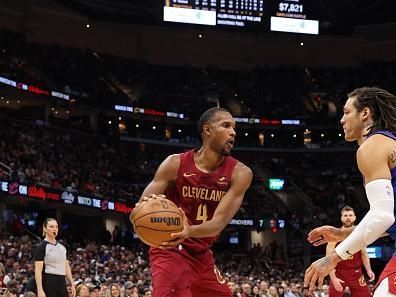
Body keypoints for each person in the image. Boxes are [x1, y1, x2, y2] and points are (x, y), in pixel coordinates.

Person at [130, 107, 252, 297]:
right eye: (226, 126)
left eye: (234, 127)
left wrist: (189, 231)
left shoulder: (240, 173)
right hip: (169, 248)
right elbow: (135, 214)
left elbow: (218, 224)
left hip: (201, 252)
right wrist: (149, 208)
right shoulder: (174, 164)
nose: (233, 132)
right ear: (207, 130)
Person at [304, 87, 396, 296]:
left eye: (346, 112)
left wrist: (333, 258)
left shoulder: (371, 146)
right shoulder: (388, 141)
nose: (342, 120)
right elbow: (388, 222)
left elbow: (382, 216)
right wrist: (342, 233)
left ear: (365, 113)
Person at [326, 206, 374, 296]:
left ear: (354, 217)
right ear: (341, 218)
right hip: (338, 272)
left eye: (350, 215)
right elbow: (328, 259)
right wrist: (333, 278)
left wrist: (369, 270)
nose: (348, 217)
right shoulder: (335, 235)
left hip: (356, 273)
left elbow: (364, 254)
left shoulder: (360, 234)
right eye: (345, 215)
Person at [34, 218, 76, 297]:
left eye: (56, 227)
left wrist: (72, 284)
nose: (54, 229)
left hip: (62, 281)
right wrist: (40, 290)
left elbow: (66, 266)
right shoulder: (41, 246)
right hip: (49, 280)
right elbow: (38, 270)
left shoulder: (62, 247)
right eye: (51, 227)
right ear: (45, 228)